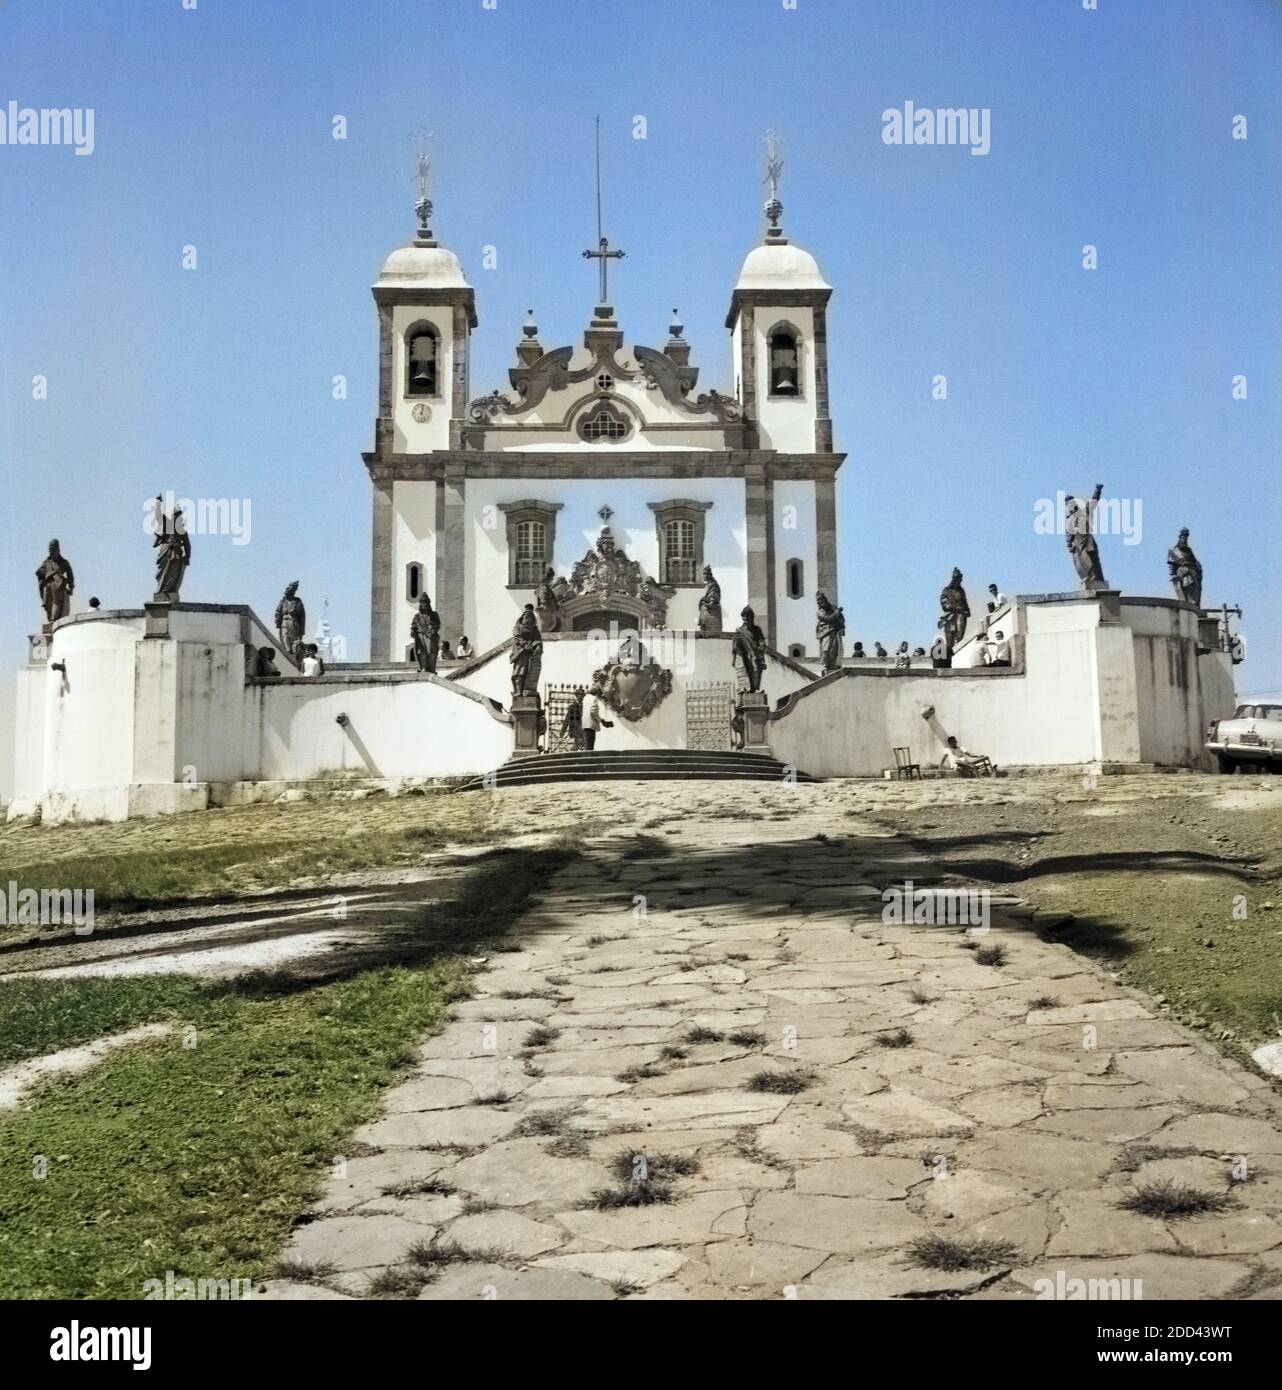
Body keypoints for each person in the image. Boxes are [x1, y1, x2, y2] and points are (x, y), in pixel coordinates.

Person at [581, 685, 614, 750]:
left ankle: (588, 757)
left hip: (585, 724)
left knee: (587, 743)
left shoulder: (585, 698)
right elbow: (593, 712)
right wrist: (602, 721)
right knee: (590, 745)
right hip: (591, 724)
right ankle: (589, 759)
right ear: (596, 692)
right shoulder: (594, 698)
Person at [561, 686, 586, 750]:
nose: (580, 696)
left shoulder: (586, 706)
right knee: (577, 745)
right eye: (578, 694)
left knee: (585, 746)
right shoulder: (572, 707)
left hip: (585, 728)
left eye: (582, 694)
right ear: (576, 696)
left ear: (584, 696)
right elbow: (567, 719)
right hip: (575, 729)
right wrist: (563, 730)